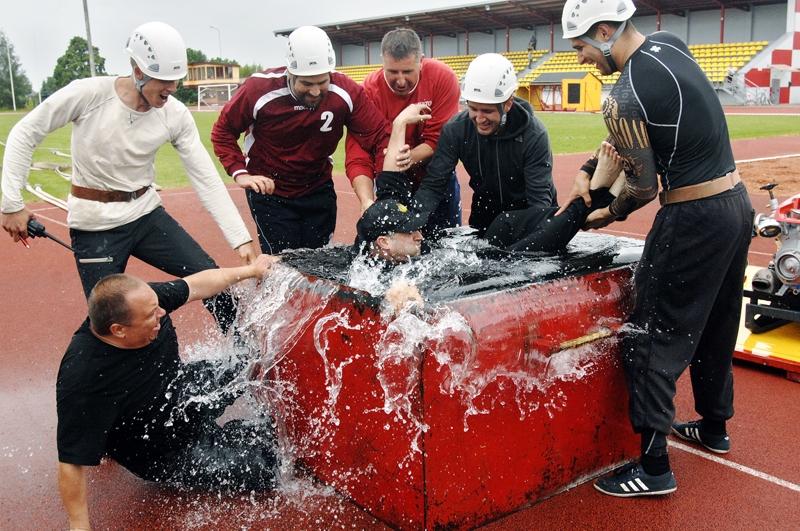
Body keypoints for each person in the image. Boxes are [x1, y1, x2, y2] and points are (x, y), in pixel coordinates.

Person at [560, 0, 753, 497]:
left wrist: (606, 211)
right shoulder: (670, 43)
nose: (580, 58)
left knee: (648, 333)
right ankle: (714, 426)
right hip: (735, 203)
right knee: (716, 322)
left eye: (580, 46)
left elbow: (643, 187)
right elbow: (636, 130)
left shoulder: (623, 94)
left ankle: (653, 467)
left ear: (605, 31)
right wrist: (588, 168)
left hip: (692, 214)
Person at [1, 23, 256, 319]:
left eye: (176, 79)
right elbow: (25, 133)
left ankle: (243, 350)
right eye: (164, 80)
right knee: (111, 318)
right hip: (94, 225)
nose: (172, 89)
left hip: (146, 216)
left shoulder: (175, 114)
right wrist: (12, 204)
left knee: (217, 288)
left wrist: (240, 239)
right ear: (138, 71)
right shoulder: (89, 94)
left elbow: (206, 180)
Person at [57, 254, 281, 531]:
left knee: (248, 362)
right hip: (162, 450)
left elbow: (197, 285)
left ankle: (244, 429)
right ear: (118, 330)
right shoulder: (83, 379)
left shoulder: (146, 301)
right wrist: (79, 526)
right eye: (151, 316)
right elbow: (70, 463)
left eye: (157, 307)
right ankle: (237, 437)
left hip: (181, 391)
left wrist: (251, 270)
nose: (161, 314)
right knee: (265, 468)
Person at [211, 26, 391, 254]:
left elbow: (380, 134)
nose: (315, 91)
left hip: (318, 188)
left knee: (319, 262)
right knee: (282, 266)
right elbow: (223, 131)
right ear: (290, 73)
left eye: (322, 82)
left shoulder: (346, 91)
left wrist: (385, 190)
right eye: (306, 83)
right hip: (270, 192)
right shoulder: (258, 90)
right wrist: (240, 173)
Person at [409, 53, 557, 240]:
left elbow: (539, 202)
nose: (479, 119)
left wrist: (536, 238)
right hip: (485, 215)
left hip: (526, 214)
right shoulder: (456, 130)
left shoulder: (534, 135)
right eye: (473, 109)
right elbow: (434, 185)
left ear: (508, 104)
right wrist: (409, 223)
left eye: (487, 111)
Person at [345, 28, 462, 238]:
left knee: (447, 247)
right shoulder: (369, 91)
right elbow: (359, 152)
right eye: (392, 72)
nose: (400, 81)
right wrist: (367, 200)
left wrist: (407, 158)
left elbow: (443, 140)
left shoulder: (442, 77)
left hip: (436, 179)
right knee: (396, 251)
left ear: (421, 61)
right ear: (382, 62)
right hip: (391, 184)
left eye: (407, 71)